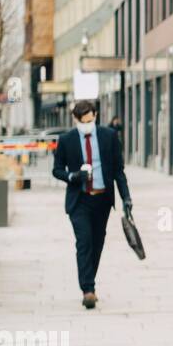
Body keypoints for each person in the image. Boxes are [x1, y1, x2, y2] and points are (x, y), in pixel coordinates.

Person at [52, 100, 133, 310]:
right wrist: (73, 176)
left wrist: (126, 198)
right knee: (84, 241)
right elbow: (57, 169)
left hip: (102, 199)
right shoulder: (66, 140)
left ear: (95, 116)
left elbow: (118, 170)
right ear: (76, 120)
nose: (87, 124)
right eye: (83, 121)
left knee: (97, 244)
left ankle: (89, 282)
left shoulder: (109, 136)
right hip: (80, 200)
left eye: (90, 120)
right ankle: (88, 289)